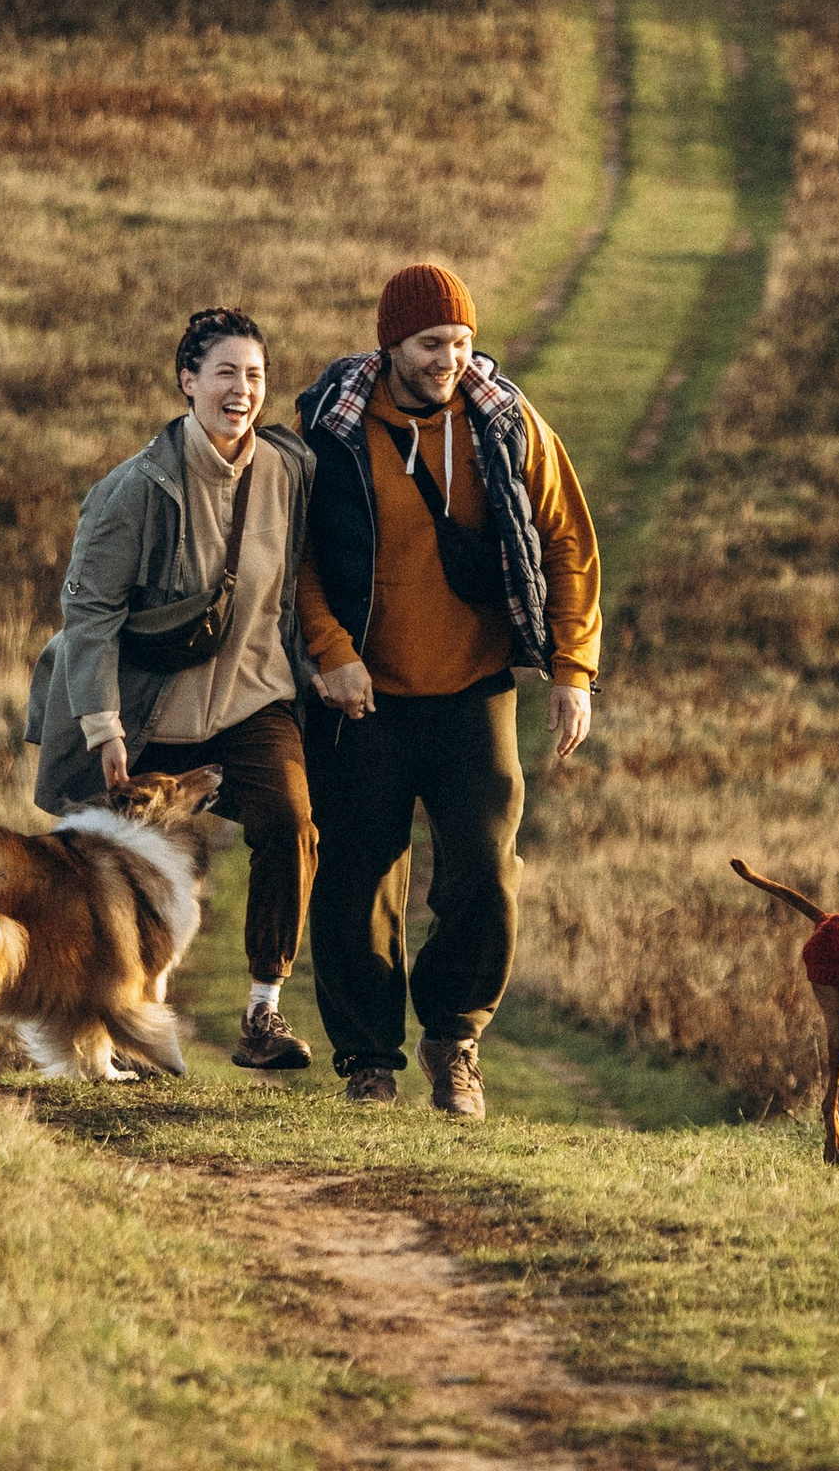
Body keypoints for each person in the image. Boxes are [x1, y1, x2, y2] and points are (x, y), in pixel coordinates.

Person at [294, 261, 602, 1117]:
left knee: (485, 868)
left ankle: (454, 1038)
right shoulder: (331, 427)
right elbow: (299, 559)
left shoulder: (508, 424)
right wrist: (329, 652)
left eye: (462, 343)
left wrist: (574, 673)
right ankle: (366, 1061)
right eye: (432, 344)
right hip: (361, 694)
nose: (450, 360)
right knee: (357, 878)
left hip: (475, 687)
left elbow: (569, 543)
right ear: (390, 342)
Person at [28, 307, 322, 1071]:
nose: (242, 390)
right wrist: (102, 721)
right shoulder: (134, 489)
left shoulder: (288, 471)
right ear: (188, 382)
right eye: (225, 372)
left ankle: (263, 1011)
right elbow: (89, 610)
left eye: (255, 375)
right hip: (153, 710)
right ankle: (114, 1016)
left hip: (255, 698)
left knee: (290, 824)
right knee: (103, 866)